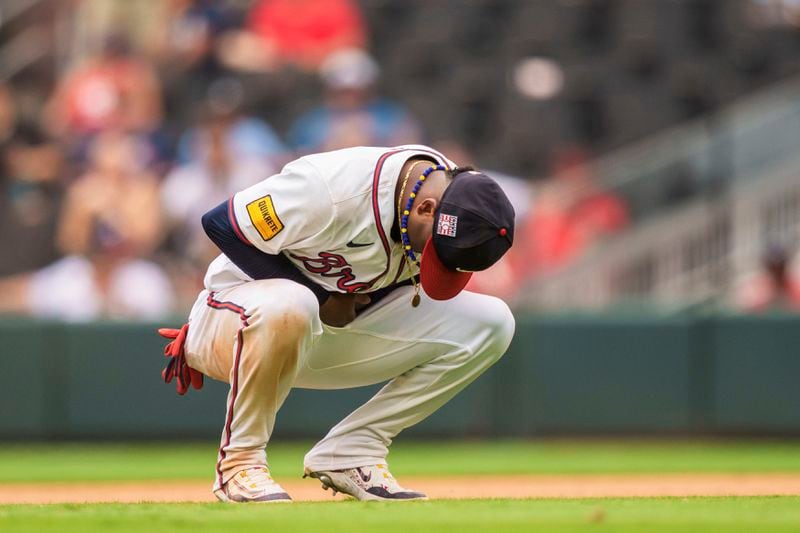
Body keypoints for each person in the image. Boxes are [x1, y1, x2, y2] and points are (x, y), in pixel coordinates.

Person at [159, 145, 516, 502]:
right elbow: (221, 222)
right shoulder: (333, 188)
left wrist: (332, 303)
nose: (430, 260)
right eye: (435, 250)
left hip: (322, 333)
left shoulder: (453, 199)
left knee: (493, 323)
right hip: (233, 318)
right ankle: (240, 464)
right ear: (425, 208)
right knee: (294, 302)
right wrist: (323, 297)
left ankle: (352, 453)